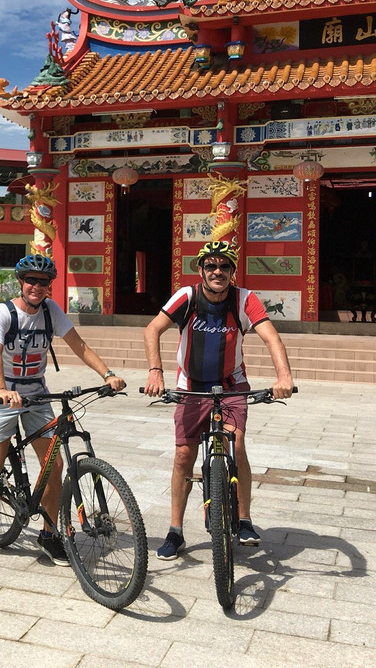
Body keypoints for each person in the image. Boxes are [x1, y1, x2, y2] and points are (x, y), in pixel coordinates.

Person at [0, 254, 126, 563]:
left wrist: (107, 374)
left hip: (37, 392)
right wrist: (1, 390)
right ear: (21, 282)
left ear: (50, 286)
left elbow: (80, 346)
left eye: (44, 282)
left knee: (55, 465)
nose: (37, 287)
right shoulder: (3, 312)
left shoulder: (51, 311)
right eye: (31, 281)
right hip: (3, 392)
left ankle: (49, 534)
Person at [141, 240, 293, 560]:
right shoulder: (188, 296)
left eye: (225, 266)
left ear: (233, 272)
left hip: (231, 383)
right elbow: (152, 329)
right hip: (191, 386)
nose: (218, 272)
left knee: (236, 444)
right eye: (211, 266)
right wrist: (156, 371)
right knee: (184, 455)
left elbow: (271, 337)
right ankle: (175, 530)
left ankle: (244, 518)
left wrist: (284, 378)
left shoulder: (244, 299)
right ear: (201, 270)